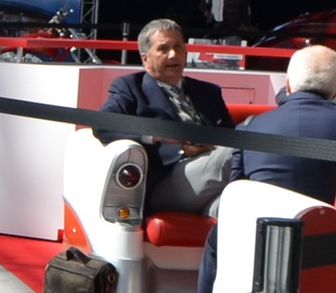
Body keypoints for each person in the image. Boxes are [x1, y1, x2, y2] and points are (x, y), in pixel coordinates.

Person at [195, 44, 336, 293]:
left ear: (287, 84)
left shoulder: (251, 127)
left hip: (259, 238)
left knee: (217, 239)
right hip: (323, 241)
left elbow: (236, 192)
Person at [98, 18, 235, 214]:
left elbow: (232, 135)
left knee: (239, 202)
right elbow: (103, 125)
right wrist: (160, 137)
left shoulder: (208, 92)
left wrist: (212, 145)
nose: (174, 55)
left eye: (178, 47)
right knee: (236, 154)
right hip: (167, 180)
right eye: (164, 49)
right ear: (145, 59)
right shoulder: (130, 88)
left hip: (211, 171)